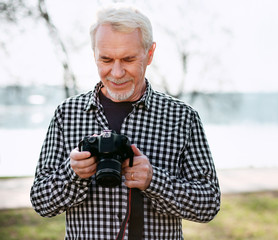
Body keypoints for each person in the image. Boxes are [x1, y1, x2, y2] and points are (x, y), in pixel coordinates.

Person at [30, 4, 220, 240]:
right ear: (94, 55)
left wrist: (154, 181)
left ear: (150, 54)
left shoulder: (182, 117)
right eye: (106, 60)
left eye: (128, 59)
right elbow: (40, 202)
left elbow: (209, 203)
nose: (117, 72)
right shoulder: (66, 114)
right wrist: (73, 174)